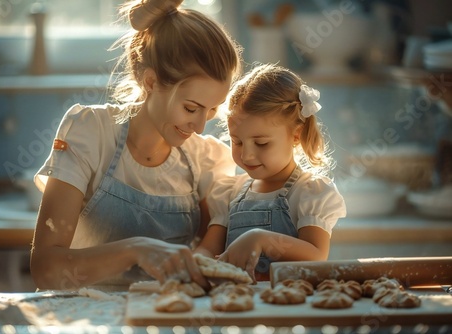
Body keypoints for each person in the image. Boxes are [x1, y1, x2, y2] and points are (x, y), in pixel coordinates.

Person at [30, 0, 242, 290]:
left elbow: (213, 257)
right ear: (152, 82)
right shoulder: (91, 133)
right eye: (191, 108)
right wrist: (135, 250)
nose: (200, 126)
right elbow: (45, 270)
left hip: (167, 317)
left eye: (212, 110)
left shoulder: (205, 159)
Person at [195, 64, 346, 282]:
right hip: (237, 306)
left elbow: (316, 256)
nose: (246, 155)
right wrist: (196, 262)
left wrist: (260, 239)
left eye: (261, 143)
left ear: (296, 135)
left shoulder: (309, 192)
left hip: (288, 308)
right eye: (237, 141)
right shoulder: (229, 192)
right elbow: (208, 249)